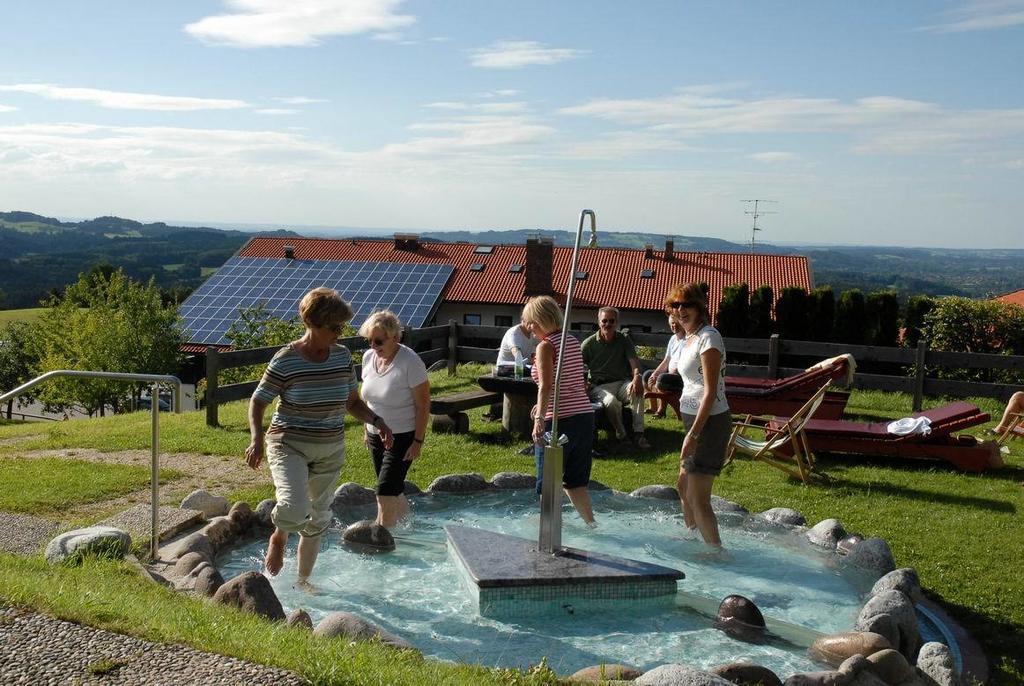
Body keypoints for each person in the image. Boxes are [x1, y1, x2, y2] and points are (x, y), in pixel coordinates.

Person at [246, 287, 393, 583]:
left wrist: (378, 421)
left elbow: (352, 403)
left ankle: (303, 583)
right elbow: (258, 400)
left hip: (330, 448)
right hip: (289, 444)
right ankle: (279, 537)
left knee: (317, 520)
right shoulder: (286, 359)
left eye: (342, 327)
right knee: (294, 507)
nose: (340, 333)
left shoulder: (341, 358)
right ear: (313, 323)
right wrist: (256, 439)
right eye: (335, 327)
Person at [525, 295, 596, 525]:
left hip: (560, 421)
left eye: (531, 322)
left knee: (549, 484)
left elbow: (546, 385)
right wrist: (541, 404)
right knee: (576, 482)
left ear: (541, 319)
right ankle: (591, 526)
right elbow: (569, 380)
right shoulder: (572, 340)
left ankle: (549, 534)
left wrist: (539, 418)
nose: (529, 327)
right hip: (584, 417)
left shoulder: (546, 346)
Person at [669, 283, 730, 549]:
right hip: (691, 419)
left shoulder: (709, 338)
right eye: (676, 305)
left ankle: (715, 554)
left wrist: (694, 435)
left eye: (687, 305)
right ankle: (695, 537)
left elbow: (709, 391)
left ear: (700, 307)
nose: (681, 310)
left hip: (709, 423)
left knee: (697, 496)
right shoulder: (686, 338)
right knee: (683, 487)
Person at [358, 310, 431, 528]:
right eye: (369, 341)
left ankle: (381, 536)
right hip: (375, 435)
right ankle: (408, 528)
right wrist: (366, 428)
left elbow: (423, 404)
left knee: (384, 492)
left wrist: (417, 441)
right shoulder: (368, 358)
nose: (373, 346)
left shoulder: (411, 362)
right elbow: (368, 399)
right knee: (393, 488)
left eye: (379, 341)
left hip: (403, 436)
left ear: (395, 337)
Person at [581, 306, 651, 449]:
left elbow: (634, 363)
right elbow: (577, 366)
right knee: (611, 402)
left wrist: (637, 377)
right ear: (598, 322)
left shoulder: (623, 340)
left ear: (617, 322)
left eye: (611, 321)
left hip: (621, 383)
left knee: (637, 391)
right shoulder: (588, 344)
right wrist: (583, 382)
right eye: (604, 321)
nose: (607, 324)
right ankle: (622, 435)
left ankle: (639, 434)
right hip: (599, 386)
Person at [644, 315, 686, 417]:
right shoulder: (673, 339)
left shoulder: (687, 339)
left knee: (663, 379)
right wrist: (654, 374)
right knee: (647, 375)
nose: (674, 326)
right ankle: (653, 407)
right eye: (672, 323)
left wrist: (662, 375)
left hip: (680, 376)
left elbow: (683, 363)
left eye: (676, 323)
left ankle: (661, 410)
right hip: (669, 374)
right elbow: (666, 360)